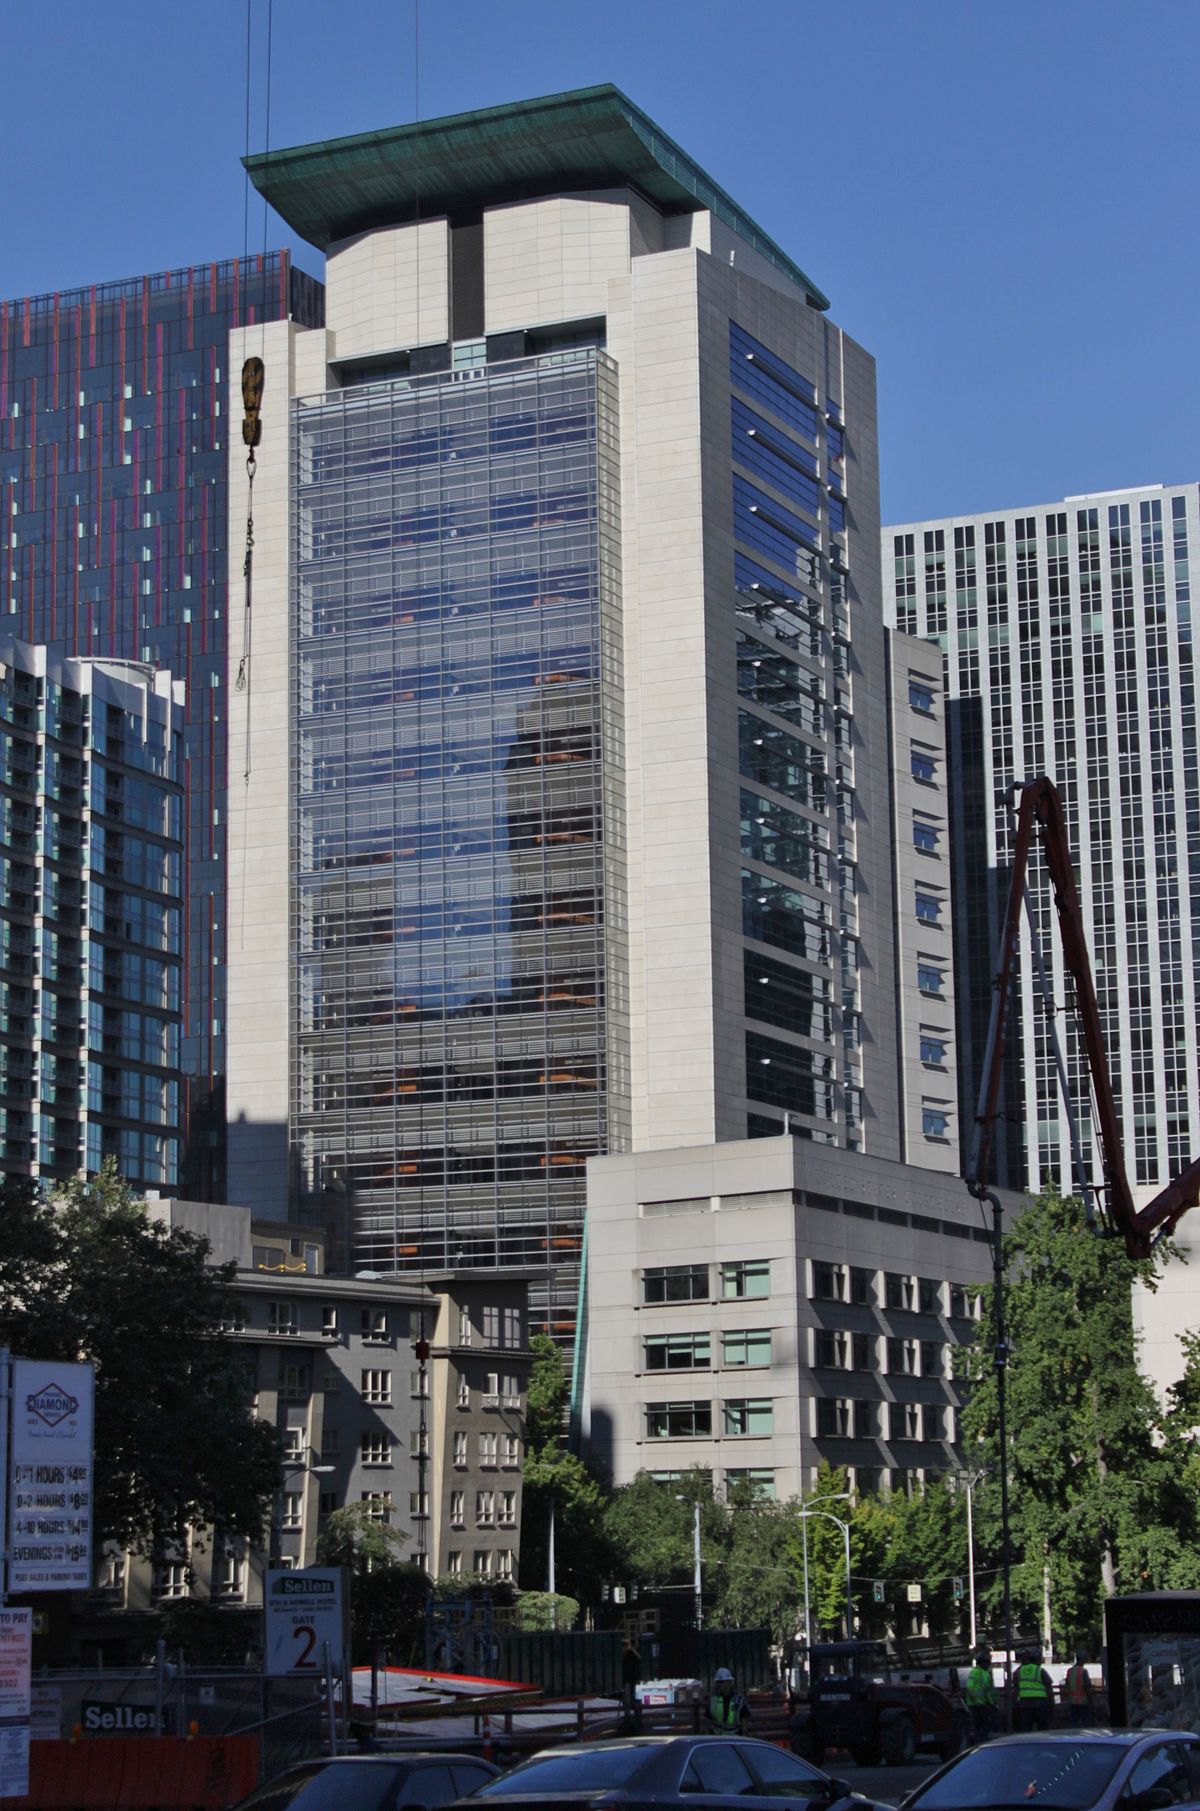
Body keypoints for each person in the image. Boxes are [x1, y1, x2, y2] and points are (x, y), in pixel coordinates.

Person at [1014, 1646, 1055, 1733]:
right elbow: (1049, 1689)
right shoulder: (1040, 1671)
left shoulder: (1019, 1671)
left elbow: (1016, 1689)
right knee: (1043, 1728)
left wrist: (1016, 1704)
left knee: (1025, 1728)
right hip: (1040, 1704)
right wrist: (1052, 1704)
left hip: (1024, 1704)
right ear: (1038, 1659)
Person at [965, 1647, 998, 1743]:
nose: (989, 1664)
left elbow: (989, 1690)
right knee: (981, 1725)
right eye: (987, 1662)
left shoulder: (986, 1673)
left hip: (984, 1704)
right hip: (976, 1705)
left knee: (986, 1724)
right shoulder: (975, 1672)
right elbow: (970, 1687)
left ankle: (981, 1741)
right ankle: (979, 1742)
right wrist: (977, 1701)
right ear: (982, 1662)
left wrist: (993, 1702)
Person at [707, 1666, 751, 1734]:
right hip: (717, 1736)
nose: (719, 1684)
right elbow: (708, 1718)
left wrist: (744, 1733)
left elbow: (744, 1719)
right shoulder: (713, 1700)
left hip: (734, 1736)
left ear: (729, 1682)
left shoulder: (739, 1700)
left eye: (721, 1682)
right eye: (718, 1682)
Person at [1062, 1651, 1095, 1728]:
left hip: (1072, 1702)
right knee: (1087, 1724)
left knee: (1073, 1724)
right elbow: (1087, 1687)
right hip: (1083, 1702)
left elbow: (1067, 1684)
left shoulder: (1070, 1671)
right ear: (1083, 1659)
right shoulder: (1083, 1671)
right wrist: (1091, 1699)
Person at [622, 1639, 643, 1733]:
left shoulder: (633, 1654)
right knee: (628, 1697)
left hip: (632, 1679)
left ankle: (633, 1713)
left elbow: (639, 1659)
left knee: (632, 1697)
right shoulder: (626, 1655)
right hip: (628, 1679)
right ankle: (630, 1714)